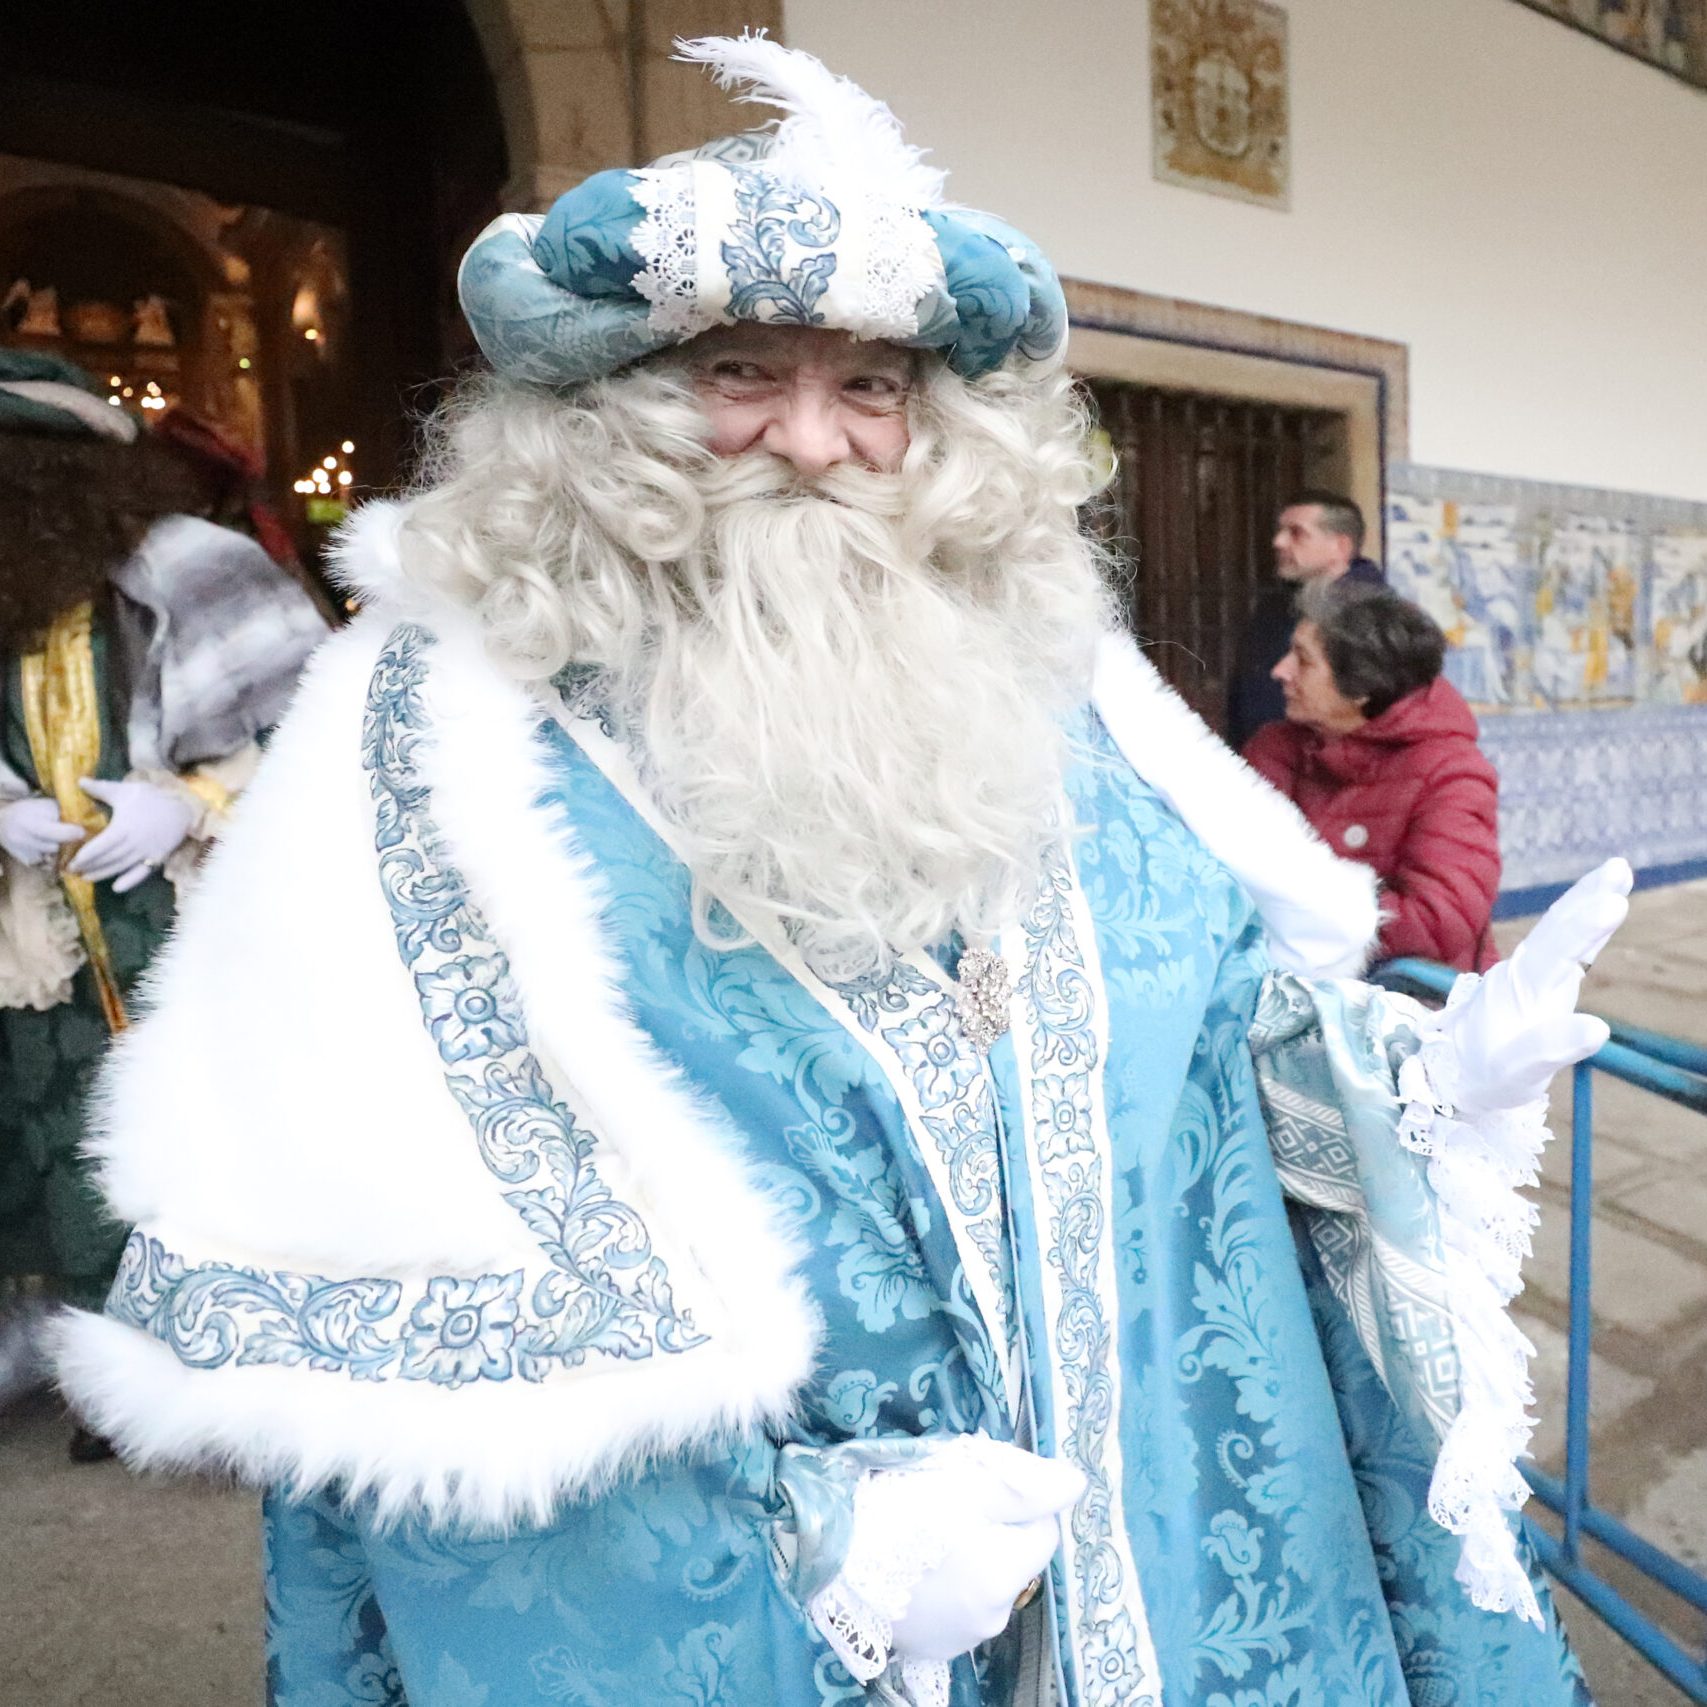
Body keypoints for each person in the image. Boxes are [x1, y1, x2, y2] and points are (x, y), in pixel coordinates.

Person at [54, 37, 1627, 1707]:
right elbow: (400, 1303)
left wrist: (1408, 1074)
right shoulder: (434, 746)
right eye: (741, 371)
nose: (811, 439)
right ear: (612, 405)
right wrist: (817, 1548)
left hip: (1165, 1559)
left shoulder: (1046, 694)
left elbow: (1199, 1024)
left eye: (870, 387)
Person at [0, 353, 327, 1453]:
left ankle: (222, 1359)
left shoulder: (196, 566)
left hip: (182, 914)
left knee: (205, 1130)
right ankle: (101, 1369)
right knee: (65, 1145)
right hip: (36, 938)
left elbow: (318, 730)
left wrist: (189, 801)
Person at [1244, 582, 1502, 972]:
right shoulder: (1274, 748)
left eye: (1304, 660)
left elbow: (1438, 918)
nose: (1280, 671)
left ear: (1361, 687)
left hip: (1405, 995)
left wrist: (1306, 916)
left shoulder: (1451, 773)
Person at [1226, 487, 1384, 750]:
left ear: (1340, 546)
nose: (1278, 542)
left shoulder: (1374, 616)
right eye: (1281, 531)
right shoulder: (1276, 605)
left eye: (1297, 533)